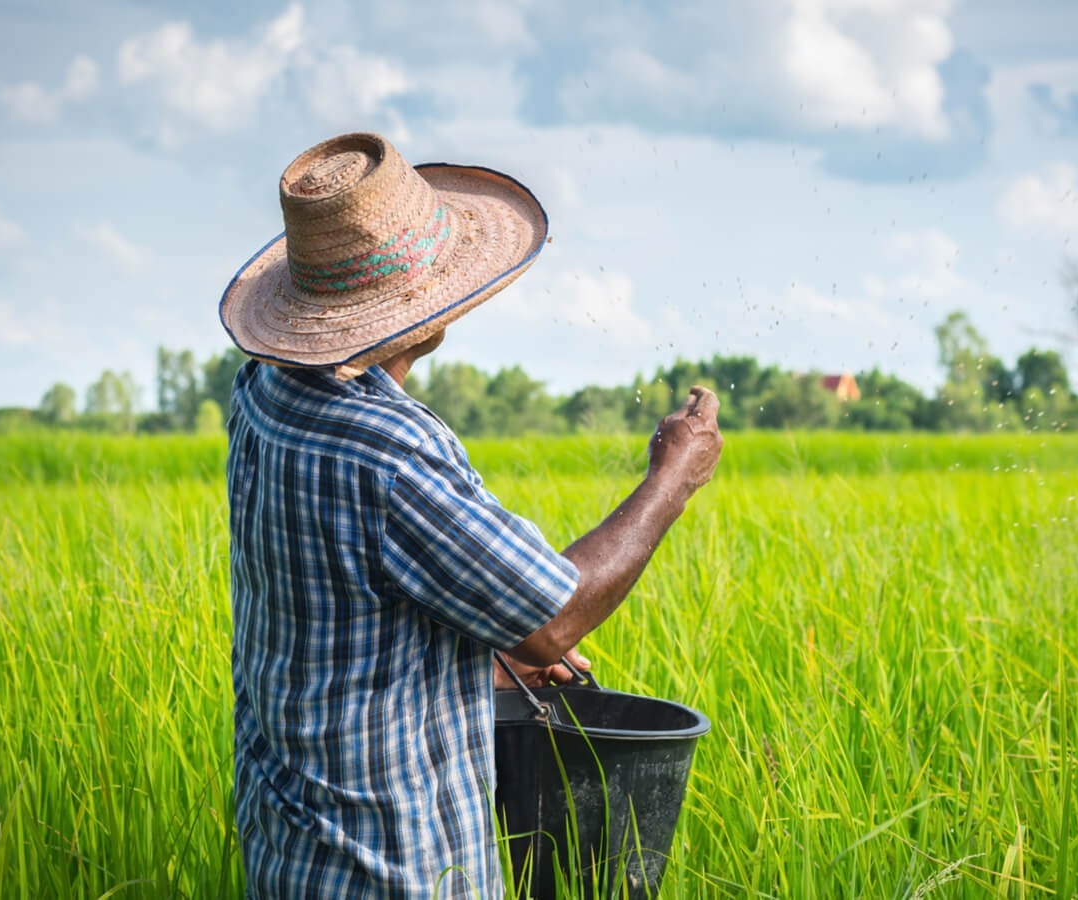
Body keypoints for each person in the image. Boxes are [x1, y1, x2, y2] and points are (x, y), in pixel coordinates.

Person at [218, 132, 723, 898]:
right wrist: (672, 479)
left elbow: (332, 612)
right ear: (418, 302)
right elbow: (551, 619)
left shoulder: (261, 396)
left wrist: (481, 660)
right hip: (392, 869)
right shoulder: (388, 450)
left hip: (289, 850)